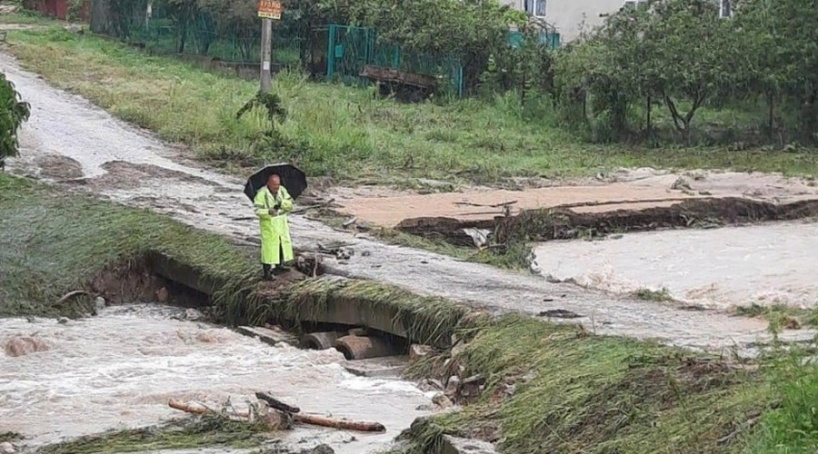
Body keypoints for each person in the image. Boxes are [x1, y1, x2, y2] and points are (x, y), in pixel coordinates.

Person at [253, 174, 294, 280]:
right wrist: (268, 211)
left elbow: (290, 204)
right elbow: (257, 210)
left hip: (281, 223)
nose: (277, 187)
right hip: (269, 224)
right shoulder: (261, 193)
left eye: (278, 185)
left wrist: (282, 203)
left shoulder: (282, 190)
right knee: (268, 249)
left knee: (281, 244)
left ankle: (279, 266)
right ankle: (266, 273)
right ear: (268, 184)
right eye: (274, 185)